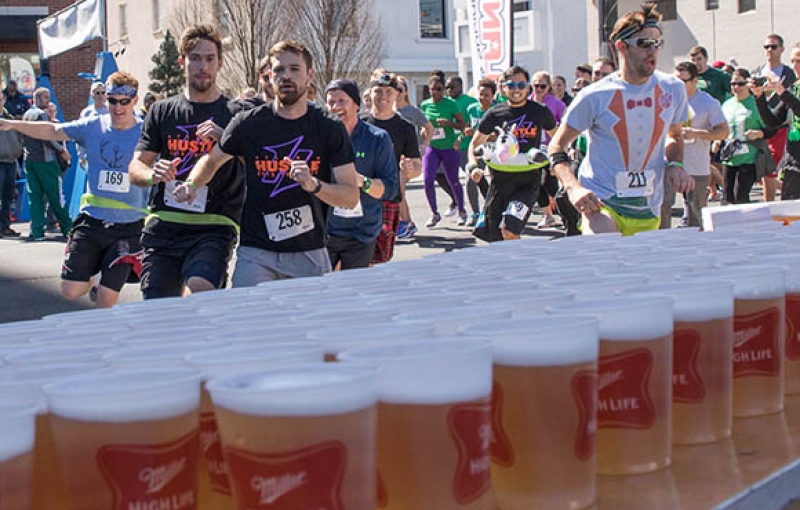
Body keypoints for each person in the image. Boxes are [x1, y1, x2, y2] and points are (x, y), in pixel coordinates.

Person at [172, 40, 358, 285]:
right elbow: (211, 161)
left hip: (309, 252)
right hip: (256, 251)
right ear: (269, 76)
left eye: (294, 69)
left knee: (310, 323)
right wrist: (191, 184)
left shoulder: (329, 128)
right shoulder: (247, 123)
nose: (286, 76)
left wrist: (314, 185)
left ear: (309, 75)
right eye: (279, 70)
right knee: (249, 320)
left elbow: (350, 196)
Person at [0, 72, 149, 307]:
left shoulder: (146, 132)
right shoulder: (92, 126)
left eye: (124, 101)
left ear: (134, 100)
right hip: (93, 221)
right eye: (112, 100)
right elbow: (53, 130)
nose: (118, 107)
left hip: (129, 226)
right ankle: (94, 275)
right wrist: (12, 124)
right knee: (70, 291)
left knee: (106, 299)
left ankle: (102, 340)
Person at [548, 2, 692, 236]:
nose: (653, 50)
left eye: (658, 43)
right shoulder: (594, 95)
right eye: (644, 43)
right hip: (602, 202)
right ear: (621, 46)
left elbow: (674, 136)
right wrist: (573, 188)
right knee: (606, 258)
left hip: (649, 206)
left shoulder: (673, 88)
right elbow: (557, 146)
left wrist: (676, 165)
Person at [128, 24, 244, 299]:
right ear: (182, 62)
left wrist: (227, 140)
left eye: (209, 58)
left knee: (200, 295)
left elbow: (258, 163)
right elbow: (135, 167)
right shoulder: (162, 110)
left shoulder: (235, 114)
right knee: (159, 309)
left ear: (220, 64)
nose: (202, 66)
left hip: (213, 226)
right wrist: (152, 174)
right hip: (164, 225)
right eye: (195, 58)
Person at [468, 65, 556, 242]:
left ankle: (518, 267)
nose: (517, 90)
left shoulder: (539, 111)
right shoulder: (495, 113)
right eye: (511, 85)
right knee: (493, 236)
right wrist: (473, 166)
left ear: (528, 87)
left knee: (510, 230)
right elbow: (475, 144)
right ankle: (507, 266)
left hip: (527, 182)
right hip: (499, 182)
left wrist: (556, 163)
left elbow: (558, 138)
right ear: (503, 87)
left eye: (521, 85)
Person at [323, 79, 398, 269]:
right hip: (326, 231)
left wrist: (361, 181)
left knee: (353, 292)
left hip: (361, 232)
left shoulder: (377, 138)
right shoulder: (320, 138)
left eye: (342, 101)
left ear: (356, 105)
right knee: (320, 291)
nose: (335, 107)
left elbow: (390, 189)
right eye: (331, 102)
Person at [660, 61, 728, 229]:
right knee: (662, 207)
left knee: (696, 214)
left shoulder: (708, 103)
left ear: (695, 81)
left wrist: (697, 133)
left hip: (696, 165)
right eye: (674, 81)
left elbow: (723, 132)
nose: (678, 85)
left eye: (683, 81)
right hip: (667, 163)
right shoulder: (665, 100)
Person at [362, 71, 421, 263]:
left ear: (397, 95)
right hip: (359, 198)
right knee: (357, 253)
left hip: (388, 197)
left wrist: (411, 169)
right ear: (370, 93)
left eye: (388, 92)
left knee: (381, 256)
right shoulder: (359, 124)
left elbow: (416, 165)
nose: (383, 97)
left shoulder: (405, 127)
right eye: (378, 91)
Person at [19, 87, 73, 241]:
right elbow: (47, 137)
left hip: (30, 160)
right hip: (46, 161)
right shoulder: (41, 114)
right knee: (56, 195)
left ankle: (37, 230)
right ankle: (67, 228)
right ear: (37, 98)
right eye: (45, 97)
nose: (48, 100)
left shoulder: (26, 114)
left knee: (34, 197)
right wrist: (61, 150)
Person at [754, 42, 800, 201]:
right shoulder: (794, 88)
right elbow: (773, 121)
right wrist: (759, 97)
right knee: (790, 211)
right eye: (792, 61)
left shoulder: (788, 93)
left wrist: (782, 93)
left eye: (799, 61)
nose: (794, 66)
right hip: (794, 159)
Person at [721, 68, 773, 204]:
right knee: (728, 196)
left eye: (740, 84)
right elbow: (721, 126)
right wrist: (718, 140)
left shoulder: (756, 103)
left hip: (750, 157)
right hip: (730, 157)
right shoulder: (727, 104)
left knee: (741, 196)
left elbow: (772, 127)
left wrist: (759, 133)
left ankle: (745, 224)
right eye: (733, 84)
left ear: (748, 85)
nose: (736, 87)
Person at [420, 75, 466, 227]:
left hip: (449, 147)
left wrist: (449, 123)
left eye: (440, 89)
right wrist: (423, 131)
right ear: (429, 89)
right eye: (433, 89)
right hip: (432, 147)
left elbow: (462, 125)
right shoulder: (425, 105)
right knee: (427, 180)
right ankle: (434, 213)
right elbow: (423, 124)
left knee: (453, 180)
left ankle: (461, 211)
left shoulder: (451, 104)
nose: (436, 93)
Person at [395, 75, 432, 239]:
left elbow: (429, 128)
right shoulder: (389, 110)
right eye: (394, 89)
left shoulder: (413, 111)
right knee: (398, 191)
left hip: (409, 158)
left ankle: (406, 222)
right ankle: (407, 222)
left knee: (399, 188)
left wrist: (424, 145)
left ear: (405, 92)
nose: (397, 92)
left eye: (400, 89)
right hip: (392, 156)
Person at [529, 71, 567, 229]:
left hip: (551, 147)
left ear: (548, 87)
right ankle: (548, 216)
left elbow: (566, 124)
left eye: (542, 86)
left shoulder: (556, 103)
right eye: (536, 86)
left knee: (550, 183)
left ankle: (567, 213)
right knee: (534, 183)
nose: (538, 89)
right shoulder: (527, 101)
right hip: (532, 149)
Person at [462, 78, 494, 226]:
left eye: (486, 95)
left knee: (496, 182)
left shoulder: (496, 111)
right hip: (477, 150)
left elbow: (497, 135)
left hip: (495, 151)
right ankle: (475, 212)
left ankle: (493, 210)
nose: (482, 98)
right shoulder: (472, 109)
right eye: (481, 94)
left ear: (493, 96)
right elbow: (468, 126)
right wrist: (465, 133)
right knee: (472, 177)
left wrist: (477, 133)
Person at [0, 91, 23, 237]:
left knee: (8, 196)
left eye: (1, 99)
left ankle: (5, 226)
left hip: (10, 161)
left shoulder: (8, 117)